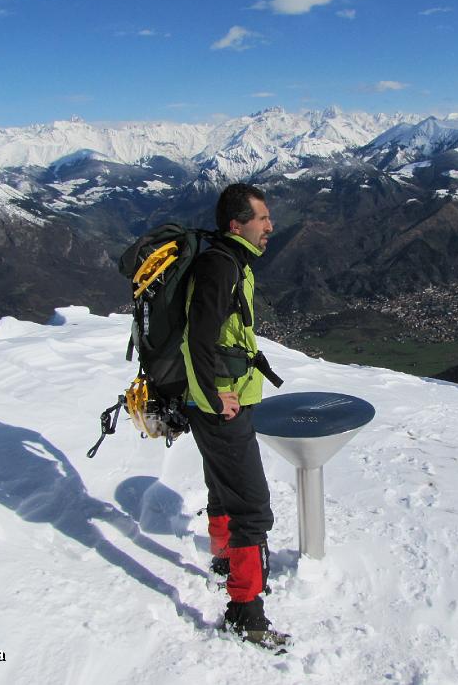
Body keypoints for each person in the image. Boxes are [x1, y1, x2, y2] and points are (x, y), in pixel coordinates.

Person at [180, 183, 288, 647]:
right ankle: (245, 610)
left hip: (224, 398)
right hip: (220, 403)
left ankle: (225, 558)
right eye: (261, 219)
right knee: (253, 507)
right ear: (236, 225)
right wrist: (213, 395)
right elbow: (197, 339)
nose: (270, 227)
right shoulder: (220, 267)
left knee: (224, 488)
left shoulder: (229, 261)